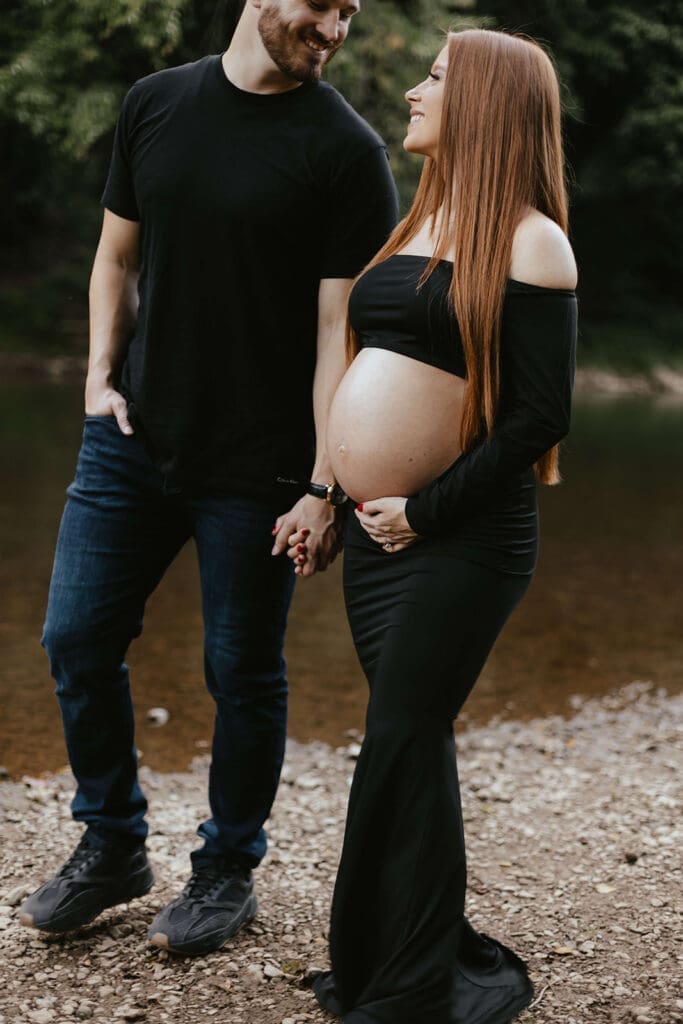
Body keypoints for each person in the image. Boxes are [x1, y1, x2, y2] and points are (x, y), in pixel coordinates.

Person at [18, 0, 398, 956]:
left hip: (261, 467)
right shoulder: (156, 102)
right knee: (74, 638)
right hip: (131, 439)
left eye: (351, 11)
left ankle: (227, 870)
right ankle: (110, 845)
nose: (336, 28)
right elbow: (116, 255)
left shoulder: (344, 150)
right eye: (322, 6)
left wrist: (324, 482)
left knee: (241, 672)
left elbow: (335, 332)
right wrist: (99, 375)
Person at [303, 28, 578, 1024]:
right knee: (406, 740)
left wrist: (422, 510)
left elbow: (538, 416)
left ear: (485, 105)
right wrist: (336, 499)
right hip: (381, 543)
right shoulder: (420, 219)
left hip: (457, 540)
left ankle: (409, 984)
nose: (415, 92)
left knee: (400, 732)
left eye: (432, 78)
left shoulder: (529, 240)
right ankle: (394, 960)